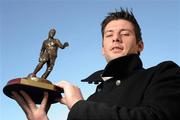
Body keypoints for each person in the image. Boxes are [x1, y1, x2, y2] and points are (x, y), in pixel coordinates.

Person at [12, 8, 180, 120]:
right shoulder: (93, 98)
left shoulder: (163, 72)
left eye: (125, 33)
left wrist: (79, 106)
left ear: (140, 45)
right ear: (102, 49)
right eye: (109, 35)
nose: (116, 38)